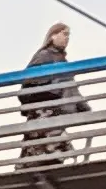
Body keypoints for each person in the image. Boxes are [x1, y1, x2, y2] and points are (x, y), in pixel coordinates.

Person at [16, 19, 86, 169]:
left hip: (55, 109)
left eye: (69, 35)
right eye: (64, 34)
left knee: (51, 145)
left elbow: (70, 87)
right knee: (42, 144)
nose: (67, 38)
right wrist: (48, 91)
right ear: (53, 36)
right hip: (44, 108)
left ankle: (48, 167)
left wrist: (81, 105)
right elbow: (29, 82)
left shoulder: (62, 61)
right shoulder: (44, 56)